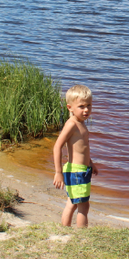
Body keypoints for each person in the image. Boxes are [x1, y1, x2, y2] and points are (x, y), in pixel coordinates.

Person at [53, 84, 98, 227]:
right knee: (83, 206)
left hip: (81, 170)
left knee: (72, 203)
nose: (86, 110)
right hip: (76, 171)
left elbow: (82, 149)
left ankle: (65, 229)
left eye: (89, 106)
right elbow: (57, 146)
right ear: (69, 107)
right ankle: (81, 235)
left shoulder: (81, 123)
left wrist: (91, 163)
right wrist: (58, 172)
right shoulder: (72, 124)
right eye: (82, 106)